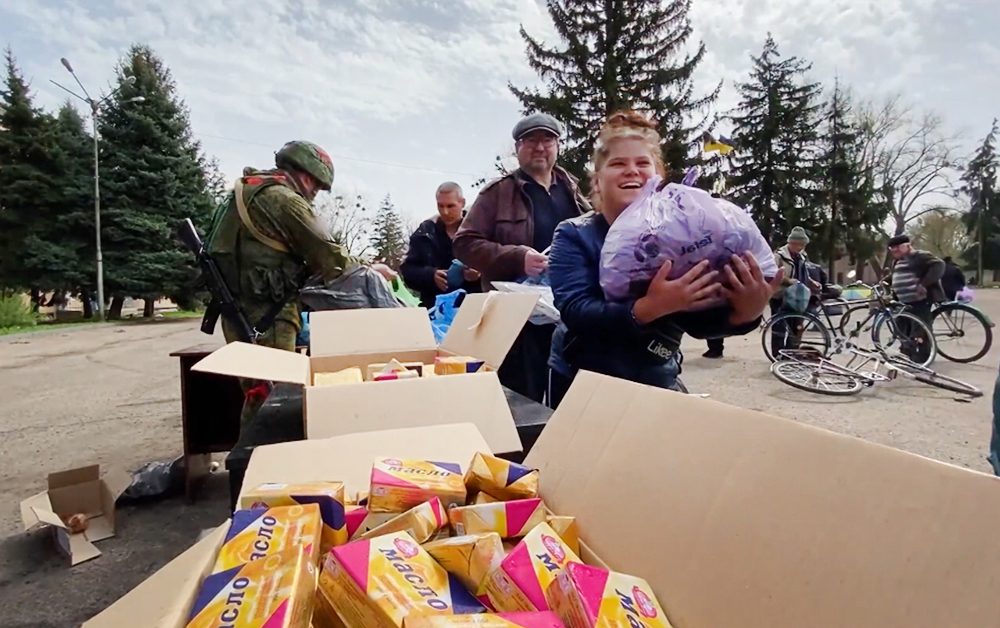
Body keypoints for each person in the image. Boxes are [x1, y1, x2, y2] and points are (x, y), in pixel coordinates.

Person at [547, 111, 778, 408]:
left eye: (642, 163)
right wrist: (650, 307)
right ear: (598, 181)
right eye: (618, 163)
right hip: (580, 377)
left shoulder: (684, 238)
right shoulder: (574, 234)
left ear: (658, 176)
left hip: (656, 374)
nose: (631, 170)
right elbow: (576, 311)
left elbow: (697, 321)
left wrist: (745, 313)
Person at [207, 140, 394, 428]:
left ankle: (251, 463)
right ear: (307, 177)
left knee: (258, 392)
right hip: (270, 316)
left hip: (237, 312)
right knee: (274, 400)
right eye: (316, 188)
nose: (314, 195)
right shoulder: (286, 201)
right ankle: (262, 465)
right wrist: (371, 269)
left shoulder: (243, 191)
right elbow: (330, 258)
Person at [454, 113, 588, 403]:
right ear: (517, 148)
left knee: (571, 399)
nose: (540, 147)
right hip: (517, 324)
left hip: (569, 315)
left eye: (547, 139)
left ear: (558, 146)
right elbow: (464, 243)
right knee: (521, 401)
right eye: (531, 140)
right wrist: (517, 258)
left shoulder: (575, 192)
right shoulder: (497, 193)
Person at [400, 182, 482, 307]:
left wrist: (480, 273)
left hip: (474, 305)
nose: (445, 212)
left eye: (450, 206)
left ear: (462, 203)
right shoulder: (425, 233)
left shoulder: (480, 229)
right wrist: (430, 275)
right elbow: (408, 271)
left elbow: (500, 266)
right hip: (435, 307)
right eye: (440, 206)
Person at [887, 234, 943, 362]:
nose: (895, 251)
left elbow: (939, 265)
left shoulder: (920, 256)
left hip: (920, 299)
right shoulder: (898, 260)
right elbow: (898, 274)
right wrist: (886, 281)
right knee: (902, 326)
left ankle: (924, 356)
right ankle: (907, 352)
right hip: (903, 300)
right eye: (892, 249)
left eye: (898, 248)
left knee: (920, 328)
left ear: (907, 246)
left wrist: (924, 284)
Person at [768, 227, 821, 357]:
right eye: (800, 244)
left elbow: (803, 274)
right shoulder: (779, 256)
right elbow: (772, 274)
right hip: (780, 296)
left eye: (803, 245)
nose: (802, 247)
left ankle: (791, 353)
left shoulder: (801, 257)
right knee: (779, 327)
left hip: (797, 297)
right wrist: (787, 280)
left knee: (797, 327)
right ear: (792, 242)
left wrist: (811, 282)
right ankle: (778, 355)